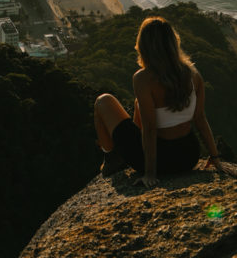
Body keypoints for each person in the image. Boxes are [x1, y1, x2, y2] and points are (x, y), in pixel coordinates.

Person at [94, 15, 224, 186]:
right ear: (173, 43)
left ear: (144, 46)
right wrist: (215, 157)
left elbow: (149, 129)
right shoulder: (193, 74)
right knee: (138, 103)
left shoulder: (143, 78)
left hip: (162, 161)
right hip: (188, 156)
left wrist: (149, 174)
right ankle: (127, 152)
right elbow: (200, 119)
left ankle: (111, 157)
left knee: (103, 101)